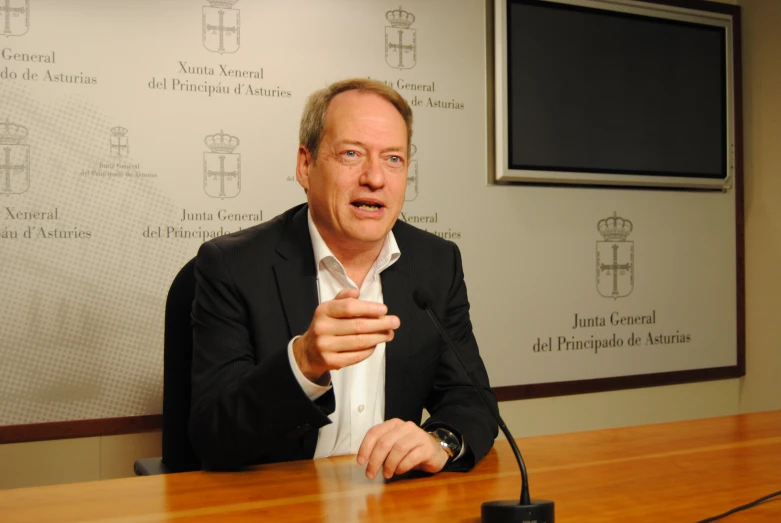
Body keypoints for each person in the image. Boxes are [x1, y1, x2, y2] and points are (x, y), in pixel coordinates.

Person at [189, 78, 497, 479]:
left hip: (392, 504)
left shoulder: (436, 263)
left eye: (393, 159)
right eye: (352, 154)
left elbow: (471, 400)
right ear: (305, 164)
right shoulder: (233, 266)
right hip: (276, 505)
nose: (375, 178)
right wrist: (302, 365)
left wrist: (440, 442)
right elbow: (212, 435)